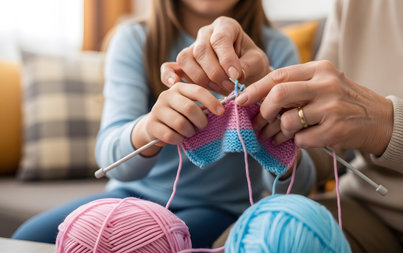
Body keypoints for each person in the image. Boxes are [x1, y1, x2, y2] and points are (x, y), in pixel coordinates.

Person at [12, 0, 316, 248]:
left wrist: (280, 141)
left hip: (223, 208)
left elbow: (298, 185)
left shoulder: (275, 50)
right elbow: (109, 158)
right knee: (26, 240)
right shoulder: (133, 39)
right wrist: (149, 129)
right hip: (128, 196)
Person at [161, 0, 403, 252]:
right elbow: (325, 146)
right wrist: (273, 107)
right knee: (244, 242)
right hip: (365, 210)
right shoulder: (354, 4)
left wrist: (387, 125)